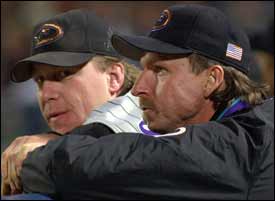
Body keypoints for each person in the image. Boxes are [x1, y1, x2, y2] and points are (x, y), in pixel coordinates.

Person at [6, 4, 274, 200]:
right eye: (144, 68)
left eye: (160, 71)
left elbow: (143, 159)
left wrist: (40, 159)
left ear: (211, 79)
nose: (138, 88)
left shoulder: (252, 141)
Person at [1, 9, 142, 196]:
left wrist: (56, 146)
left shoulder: (155, 115)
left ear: (113, 78)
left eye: (63, 74)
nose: (47, 94)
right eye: (40, 81)